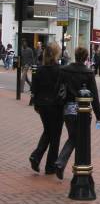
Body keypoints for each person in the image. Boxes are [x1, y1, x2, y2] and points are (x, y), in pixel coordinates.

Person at [55, 46, 100, 180]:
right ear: (86, 57)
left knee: (73, 137)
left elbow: (57, 89)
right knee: (77, 138)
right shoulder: (88, 73)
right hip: (83, 111)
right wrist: (99, 116)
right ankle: (63, 163)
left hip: (67, 109)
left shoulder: (64, 70)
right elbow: (94, 95)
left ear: (75, 56)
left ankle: (64, 164)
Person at [29, 42, 64, 174]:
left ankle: (36, 156)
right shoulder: (60, 70)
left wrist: (37, 104)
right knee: (55, 136)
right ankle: (50, 166)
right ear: (56, 54)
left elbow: (34, 89)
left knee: (48, 132)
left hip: (42, 106)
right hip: (55, 106)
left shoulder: (39, 70)